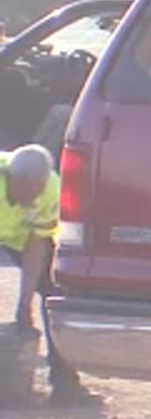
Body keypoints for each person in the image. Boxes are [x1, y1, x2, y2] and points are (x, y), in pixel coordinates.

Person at [0, 144, 90, 403]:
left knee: (55, 295)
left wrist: (24, 302)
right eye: (30, 189)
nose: (37, 195)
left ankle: (64, 382)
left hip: (22, 237)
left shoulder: (52, 190)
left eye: (40, 187)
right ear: (14, 180)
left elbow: (37, 246)